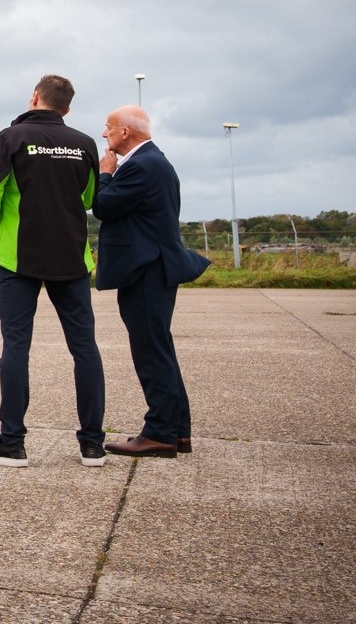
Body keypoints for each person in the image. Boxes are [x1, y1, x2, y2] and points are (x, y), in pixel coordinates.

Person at [0, 75, 108, 468]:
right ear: (67, 107)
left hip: (19, 257)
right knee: (84, 347)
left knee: (16, 346)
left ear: (35, 97)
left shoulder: (11, 138)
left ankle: (12, 442)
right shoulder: (84, 143)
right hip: (71, 256)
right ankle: (93, 444)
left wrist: (5, 220)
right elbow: (89, 196)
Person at [93, 106, 208, 457]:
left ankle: (159, 432)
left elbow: (103, 206)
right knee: (160, 350)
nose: (104, 134)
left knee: (151, 353)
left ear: (125, 132)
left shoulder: (141, 166)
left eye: (108, 127)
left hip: (146, 270)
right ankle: (177, 432)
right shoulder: (156, 162)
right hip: (154, 269)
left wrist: (105, 173)